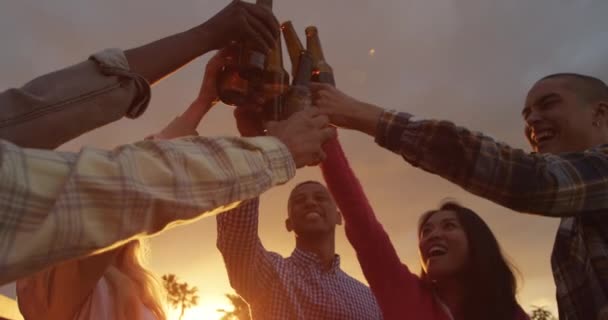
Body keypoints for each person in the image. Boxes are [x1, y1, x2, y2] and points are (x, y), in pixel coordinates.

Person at [0, 2, 336, 282]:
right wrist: (275, 151)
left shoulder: (125, 275)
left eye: (321, 198)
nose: (311, 205)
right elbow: (117, 189)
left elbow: (29, 111)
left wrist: (205, 60)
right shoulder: (58, 273)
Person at [311, 73, 608, 320]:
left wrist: (360, 114)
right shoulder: (571, 234)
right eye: (426, 230)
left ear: (600, 113)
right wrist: (324, 135)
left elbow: (528, 179)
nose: (533, 120)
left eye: (548, 105)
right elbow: (362, 223)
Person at [319, 136, 529, 320]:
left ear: (477, 241)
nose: (433, 235)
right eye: (426, 231)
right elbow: (360, 219)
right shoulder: (404, 293)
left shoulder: (510, 315)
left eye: (449, 226)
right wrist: (325, 134)